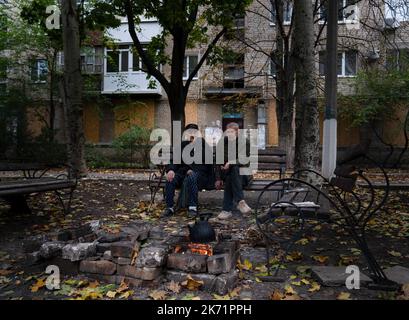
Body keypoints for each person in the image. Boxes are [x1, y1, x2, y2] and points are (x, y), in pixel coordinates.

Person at [163, 123, 213, 217]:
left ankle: (192, 207)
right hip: (183, 173)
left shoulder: (203, 145)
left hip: (200, 175)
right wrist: (171, 170)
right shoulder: (182, 145)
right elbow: (174, 160)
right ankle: (169, 207)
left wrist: (192, 170)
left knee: (192, 176)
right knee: (170, 179)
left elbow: (207, 165)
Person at [214, 122, 252, 220]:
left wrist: (231, 162)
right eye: (227, 131)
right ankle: (240, 203)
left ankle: (226, 210)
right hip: (227, 174)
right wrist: (218, 178)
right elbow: (217, 161)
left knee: (235, 169)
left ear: (237, 132)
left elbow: (245, 161)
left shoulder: (244, 142)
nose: (229, 134)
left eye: (232, 132)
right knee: (231, 175)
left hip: (243, 175)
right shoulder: (222, 142)